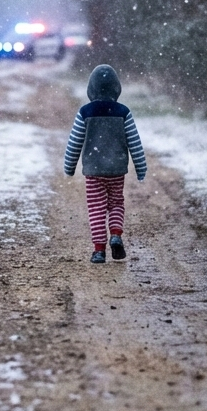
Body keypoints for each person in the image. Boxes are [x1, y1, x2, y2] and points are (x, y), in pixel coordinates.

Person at [63, 64, 147, 263]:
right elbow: (134, 143)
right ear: (116, 88)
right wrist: (141, 168)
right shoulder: (123, 112)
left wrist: (69, 167)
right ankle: (116, 235)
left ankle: (99, 250)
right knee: (116, 202)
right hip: (117, 170)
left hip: (93, 171)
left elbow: (74, 142)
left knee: (96, 208)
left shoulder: (85, 112)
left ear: (91, 89)